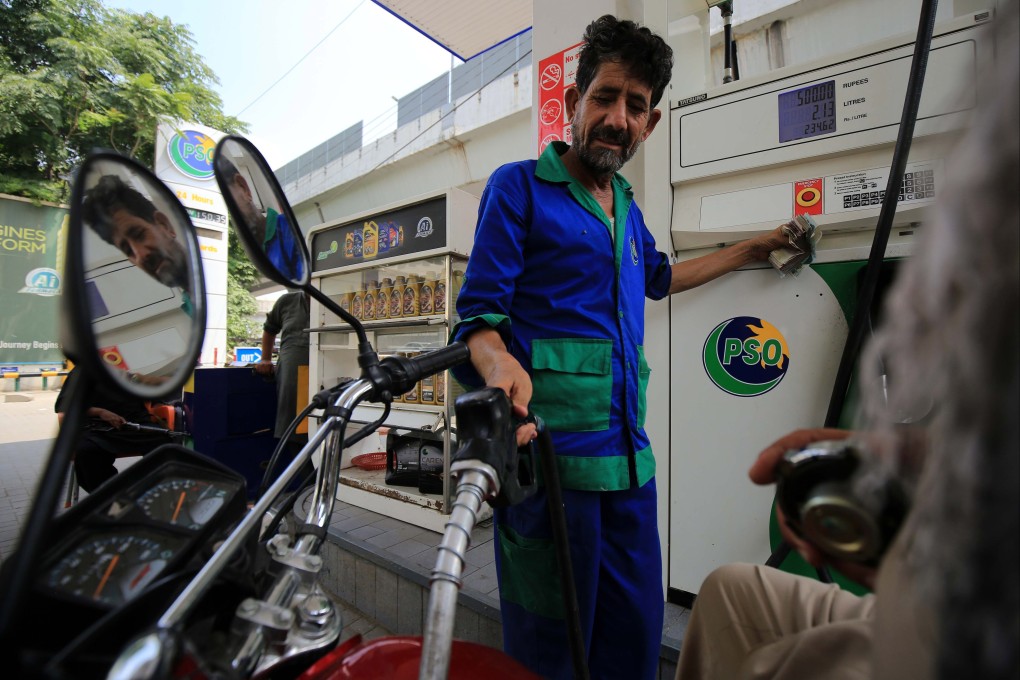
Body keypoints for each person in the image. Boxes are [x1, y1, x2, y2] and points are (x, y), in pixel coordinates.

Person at [674, 6, 1019, 678]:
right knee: (727, 589)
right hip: (943, 582)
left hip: (970, 629)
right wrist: (909, 457)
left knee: (790, 660)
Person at [450, 15, 787, 679]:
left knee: (633, 643)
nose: (617, 118)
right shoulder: (519, 188)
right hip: (551, 473)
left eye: (635, 105)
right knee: (552, 652)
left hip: (632, 471)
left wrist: (753, 249)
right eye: (604, 97)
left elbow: (661, 277)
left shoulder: (627, 206)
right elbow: (478, 321)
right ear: (573, 102)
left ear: (650, 124)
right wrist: (498, 361)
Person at [55, 366, 173, 493]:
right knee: (87, 452)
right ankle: (110, 495)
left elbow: (156, 394)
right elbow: (65, 406)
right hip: (98, 427)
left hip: (135, 423)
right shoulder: (84, 369)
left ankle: (151, 491)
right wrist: (100, 412)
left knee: (165, 445)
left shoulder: (133, 367)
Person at [82, 174, 193, 303]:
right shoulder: (192, 305)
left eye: (139, 235)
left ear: (165, 225)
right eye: (128, 250)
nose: (140, 255)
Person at [219, 157, 304, 280]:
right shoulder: (257, 252)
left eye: (226, 199)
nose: (227, 216)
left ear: (244, 188)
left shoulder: (289, 229)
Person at [256, 291, 311, 465]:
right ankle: (306, 475)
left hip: (325, 370)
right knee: (293, 424)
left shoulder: (333, 300)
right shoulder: (287, 301)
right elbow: (269, 329)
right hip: (293, 372)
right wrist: (265, 359)